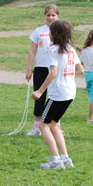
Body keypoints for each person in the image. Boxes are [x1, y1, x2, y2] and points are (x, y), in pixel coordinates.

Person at [31, 20, 84, 170]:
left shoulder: (52, 50)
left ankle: (55, 160)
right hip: (70, 92)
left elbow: (53, 72)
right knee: (54, 124)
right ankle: (65, 158)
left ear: (53, 34)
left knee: (43, 125)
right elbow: (80, 70)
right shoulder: (71, 49)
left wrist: (40, 91)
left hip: (57, 94)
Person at [25, 4, 60, 136]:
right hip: (40, 68)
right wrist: (29, 69)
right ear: (45, 16)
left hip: (55, 69)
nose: (51, 17)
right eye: (48, 15)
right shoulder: (38, 31)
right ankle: (37, 127)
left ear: (58, 16)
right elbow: (32, 51)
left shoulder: (61, 31)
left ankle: (55, 126)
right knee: (39, 96)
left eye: (53, 15)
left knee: (55, 97)